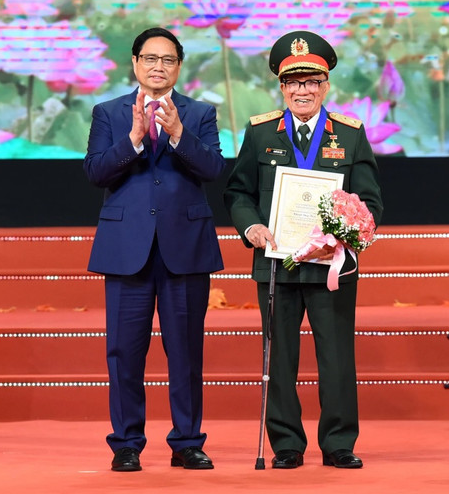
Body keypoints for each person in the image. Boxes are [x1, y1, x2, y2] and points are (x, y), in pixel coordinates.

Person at [224, 31, 383, 470]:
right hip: (276, 263)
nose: (303, 90)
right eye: (294, 82)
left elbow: (370, 202)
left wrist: (347, 231)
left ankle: (338, 443)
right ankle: (286, 443)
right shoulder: (260, 133)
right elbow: (238, 192)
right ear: (281, 86)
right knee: (280, 357)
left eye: (312, 81)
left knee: (336, 357)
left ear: (326, 85)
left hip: (331, 266)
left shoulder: (349, 135)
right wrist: (252, 225)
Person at [84, 27, 225, 472]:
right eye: (150, 58)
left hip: (184, 247)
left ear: (178, 67)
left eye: (167, 59)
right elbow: (95, 172)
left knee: (185, 350)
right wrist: (134, 139)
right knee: (124, 352)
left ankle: (186, 441)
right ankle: (126, 443)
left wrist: (180, 134)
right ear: (135, 63)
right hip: (127, 249)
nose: (158, 66)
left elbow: (214, 167)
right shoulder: (108, 112)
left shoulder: (200, 113)